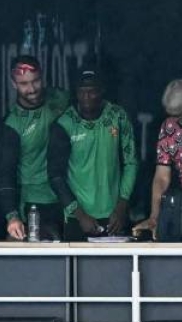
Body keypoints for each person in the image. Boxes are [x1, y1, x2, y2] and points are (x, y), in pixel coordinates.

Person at [47, 69, 138, 242]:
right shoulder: (65, 124)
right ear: (76, 92)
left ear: (102, 90)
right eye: (82, 91)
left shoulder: (118, 116)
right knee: (75, 268)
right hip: (77, 217)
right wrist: (79, 214)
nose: (87, 96)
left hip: (114, 216)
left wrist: (122, 205)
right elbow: (55, 175)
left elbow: (130, 162)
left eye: (92, 90)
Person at [0, 55, 69, 240]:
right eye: (24, 84)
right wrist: (12, 217)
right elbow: (5, 173)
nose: (32, 89)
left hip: (68, 197)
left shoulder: (60, 98)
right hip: (33, 202)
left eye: (36, 81)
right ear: (14, 84)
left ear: (42, 77)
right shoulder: (12, 124)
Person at [134, 78, 182, 242]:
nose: (176, 119)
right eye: (172, 114)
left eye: (180, 113)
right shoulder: (169, 126)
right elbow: (162, 176)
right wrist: (154, 217)